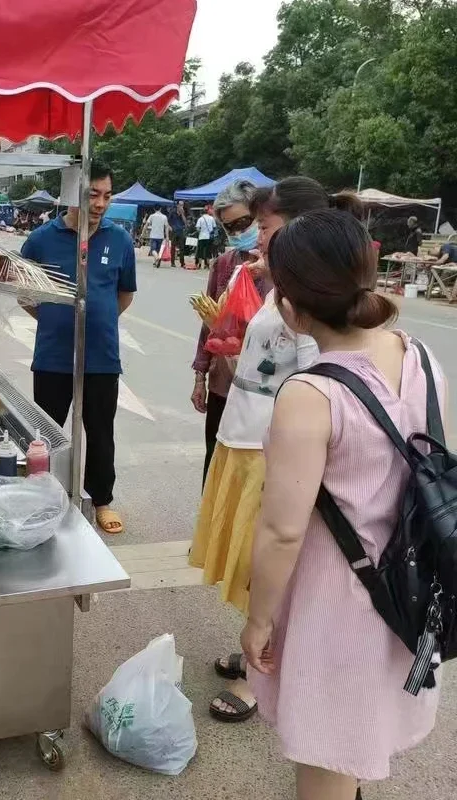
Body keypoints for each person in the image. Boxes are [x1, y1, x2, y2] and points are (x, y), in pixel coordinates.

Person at [242, 209, 445, 800]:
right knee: (360, 728)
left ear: (289, 304)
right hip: (408, 588)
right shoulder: (423, 359)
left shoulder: (312, 393)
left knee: (326, 754)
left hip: (339, 603)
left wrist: (258, 620)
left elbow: (282, 532)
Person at [191, 177, 365, 724]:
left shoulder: (310, 300)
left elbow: (318, 373)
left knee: (263, 556)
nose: (257, 239)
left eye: (264, 228)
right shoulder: (272, 286)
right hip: (242, 435)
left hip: (270, 447)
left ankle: (255, 676)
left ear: (299, 229)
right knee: (246, 558)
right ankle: (257, 649)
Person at [21, 163, 136, 535]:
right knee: (48, 433)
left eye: (107, 195)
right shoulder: (41, 239)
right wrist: (57, 321)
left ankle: (101, 499)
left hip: (101, 356)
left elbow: (124, 294)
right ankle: (44, 497)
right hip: (54, 357)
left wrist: (95, 325)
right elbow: (22, 292)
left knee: (101, 432)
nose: (101, 203)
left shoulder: (119, 240)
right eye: (92, 195)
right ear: (72, 194)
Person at [191, 179, 268, 483]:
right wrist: (200, 376)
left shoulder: (279, 266)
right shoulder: (224, 265)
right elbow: (208, 323)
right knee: (216, 461)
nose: (238, 232)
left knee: (253, 470)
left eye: (244, 223)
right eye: (229, 228)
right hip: (224, 382)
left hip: (264, 386)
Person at [195, 205, 217, 269]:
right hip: (209, 237)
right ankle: (207, 265)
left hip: (201, 237)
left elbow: (198, 229)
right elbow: (214, 227)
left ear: (201, 213)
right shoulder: (211, 218)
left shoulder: (200, 219)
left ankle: (199, 264)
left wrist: (201, 231)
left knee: (200, 251)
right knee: (208, 251)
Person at [168, 201, 187, 268]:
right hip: (174, 231)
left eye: (183, 205)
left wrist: (182, 214)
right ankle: (172, 262)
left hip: (181, 231)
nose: (181, 206)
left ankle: (182, 262)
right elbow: (168, 221)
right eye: (180, 205)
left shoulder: (183, 213)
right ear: (177, 205)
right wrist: (170, 227)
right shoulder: (172, 212)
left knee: (182, 247)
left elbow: (185, 222)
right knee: (173, 247)